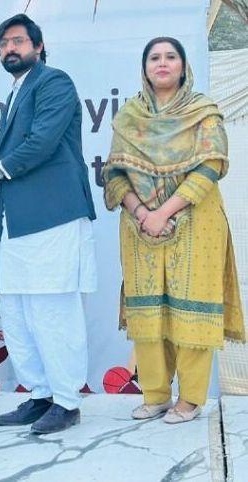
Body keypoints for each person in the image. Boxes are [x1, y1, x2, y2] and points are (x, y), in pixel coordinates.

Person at [0, 14, 97, 435]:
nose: (10, 48)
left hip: (52, 217)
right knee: (19, 314)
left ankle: (67, 402)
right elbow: (19, 149)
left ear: (38, 46)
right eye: (3, 44)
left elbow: (42, 142)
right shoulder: (19, 90)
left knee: (53, 312)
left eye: (18, 41)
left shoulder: (54, 82)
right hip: (18, 224)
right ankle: (40, 395)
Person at [104, 36, 244, 424]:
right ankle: (155, 395)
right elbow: (114, 173)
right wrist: (141, 211)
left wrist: (164, 211)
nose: (162, 63)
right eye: (154, 58)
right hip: (140, 228)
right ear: (144, 68)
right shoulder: (129, 116)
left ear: (183, 66)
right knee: (149, 310)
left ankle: (191, 399)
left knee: (192, 306)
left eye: (170, 57)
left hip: (196, 221)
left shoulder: (203, 112)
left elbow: (211, 166)